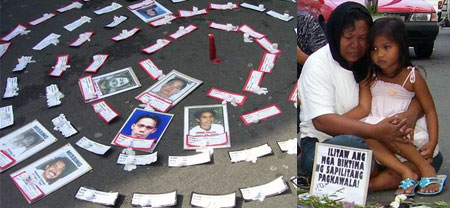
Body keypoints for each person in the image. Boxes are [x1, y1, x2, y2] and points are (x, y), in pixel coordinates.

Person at [298, 2, 442, 193]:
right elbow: (322, 122)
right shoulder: (318, 64)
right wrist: (375, 131)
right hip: (324, 142)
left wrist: (410, 114)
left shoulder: (369, 60)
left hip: (379, 136)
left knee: (432, 155)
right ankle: (392, 172)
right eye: (348, 37)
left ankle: (380, 176)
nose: (355, 45)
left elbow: (408, 93)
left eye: (363, 38)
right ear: (334, 34)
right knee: (355, 146)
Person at [344, 17, 443, 195]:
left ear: (401, 46)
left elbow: (429, 110)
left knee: (393, 127)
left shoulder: (412, 77)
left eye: (386, 47)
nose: (379, 54)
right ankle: (407, 173)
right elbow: (363, 109)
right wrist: (338, 122)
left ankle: (424, 168)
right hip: (381, 144)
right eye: (374, 49)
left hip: (406, 138)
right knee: (368, 131)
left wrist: (433, 140)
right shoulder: (370, 77)